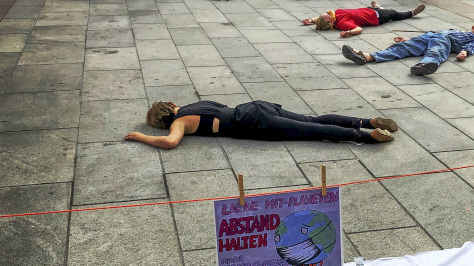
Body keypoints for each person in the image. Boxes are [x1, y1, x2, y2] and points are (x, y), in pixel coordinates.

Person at [126, 101, 398, 147]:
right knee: (311, 120)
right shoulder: (192, 106)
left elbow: (170, 142)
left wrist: (141, 137)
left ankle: (366, 136)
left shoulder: (181, 122)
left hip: (252, 123)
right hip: (255, 106)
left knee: (312, 132)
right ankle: (365, 120)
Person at [341, 24, 474, 76]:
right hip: (431, 36)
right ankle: (367, 56)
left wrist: (464, 52)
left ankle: (425, 65)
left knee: (436, 51)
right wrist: (410, 40)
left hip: (445, 41)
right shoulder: (466, 31)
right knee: (401, 47)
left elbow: (473, 47)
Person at [302, 1, 425, 37]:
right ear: (330, 21)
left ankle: (377, 7)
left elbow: (321, 19)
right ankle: (412, 13)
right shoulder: (342, 23)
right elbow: (359, 29)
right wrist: (349, 32)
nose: (328, 13)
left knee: (378, 8)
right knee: (394, 14)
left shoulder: (333, 15)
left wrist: (311, 20)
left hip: (366, 10)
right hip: (376, 17)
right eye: (327, 16)